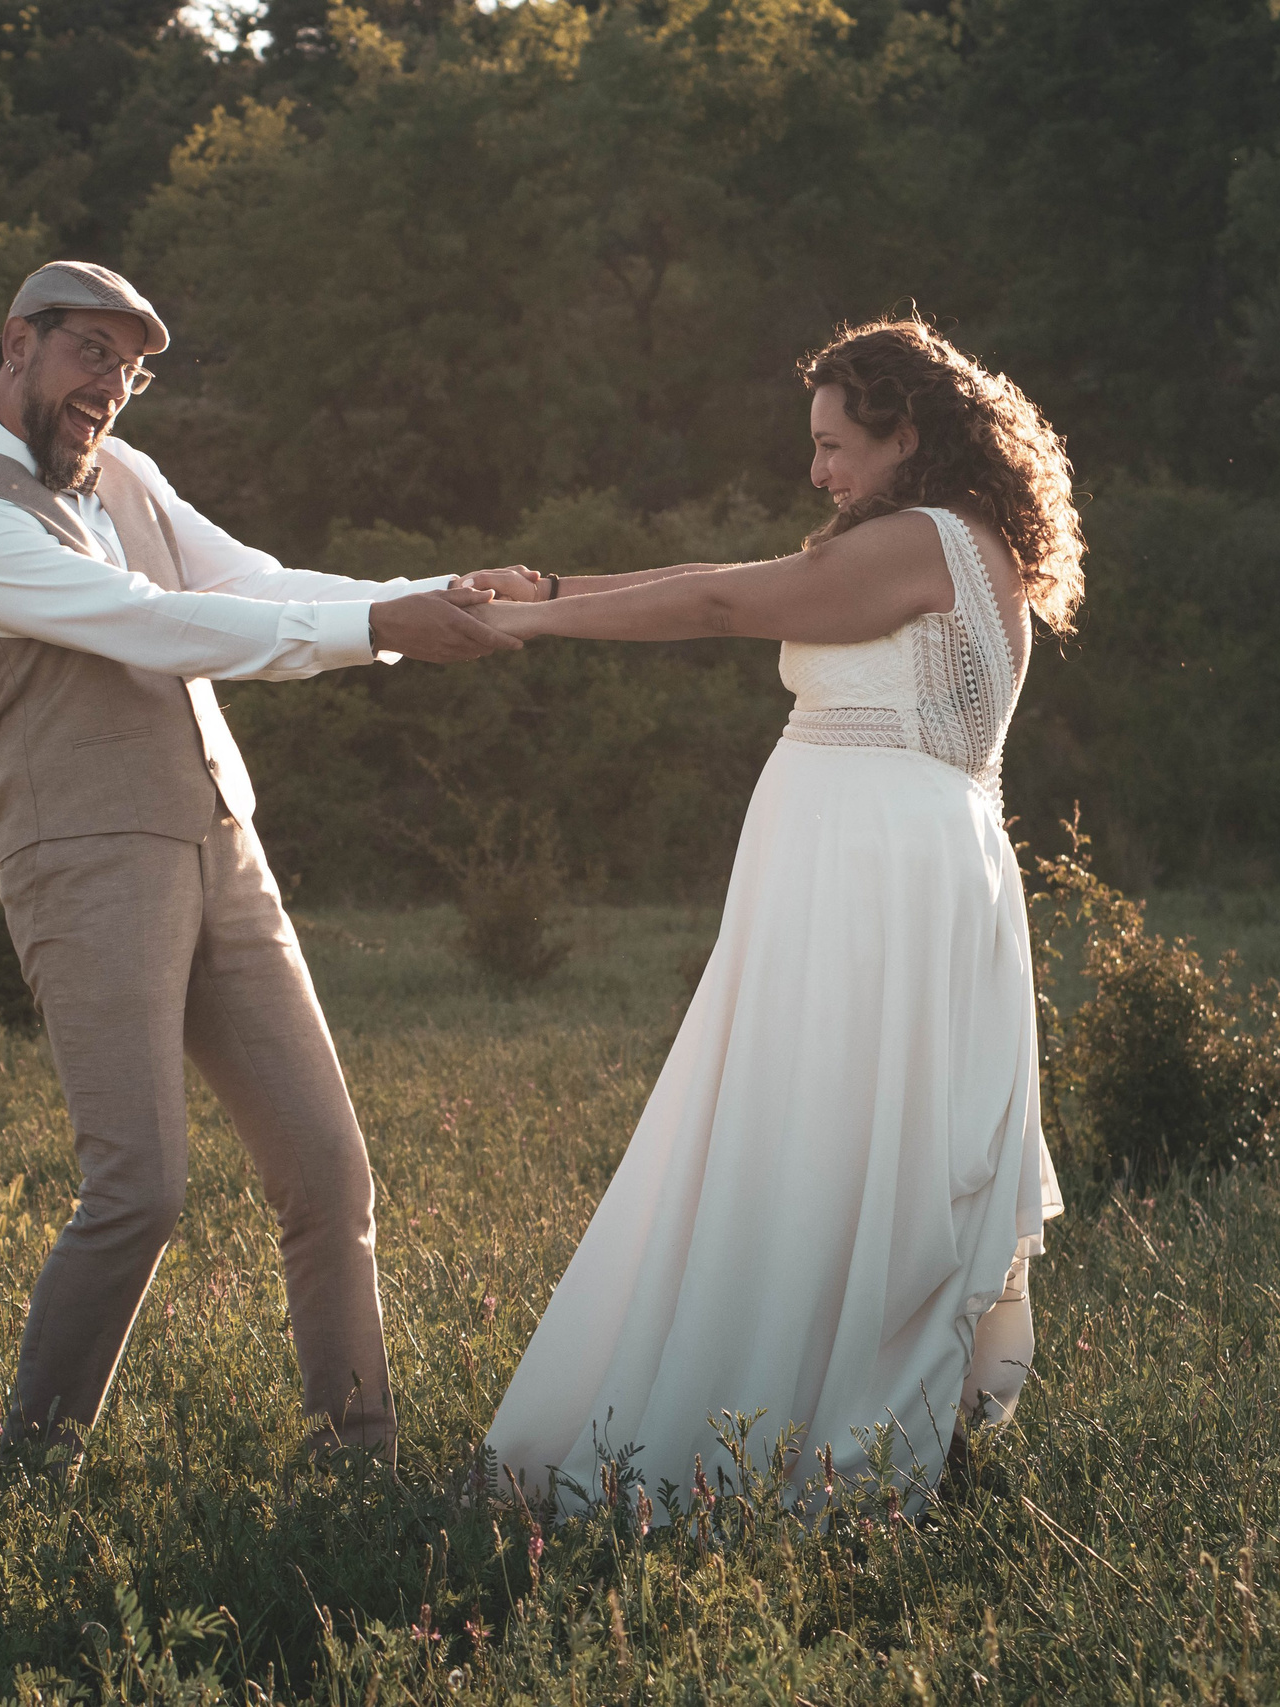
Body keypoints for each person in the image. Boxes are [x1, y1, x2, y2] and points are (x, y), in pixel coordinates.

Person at [0, 260, 519, 1467]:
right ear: (15, 343)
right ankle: (29, 1476)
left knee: (329, 1173)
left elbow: (251, 583)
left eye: (131, 370)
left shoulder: (119, 474)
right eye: (92, 355)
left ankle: (360, 1464)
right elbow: (160, 626)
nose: (112, 388)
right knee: (139, 1188)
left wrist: (429, 593)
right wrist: (383, 628)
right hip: (85, 861)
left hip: (222, 846)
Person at [463, 317, 1079, 1511]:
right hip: (873, 863)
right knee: (816, 1138)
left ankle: (809, 1441)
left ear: (909, 435)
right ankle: (804, 1411)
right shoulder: (947, 537)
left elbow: (718, 606)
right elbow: (730, 586)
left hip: (876, 880)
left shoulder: (925, 540)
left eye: (838, 444)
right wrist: (545, 587)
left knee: (829, 1142)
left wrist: (537, 617)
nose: (819, 472)